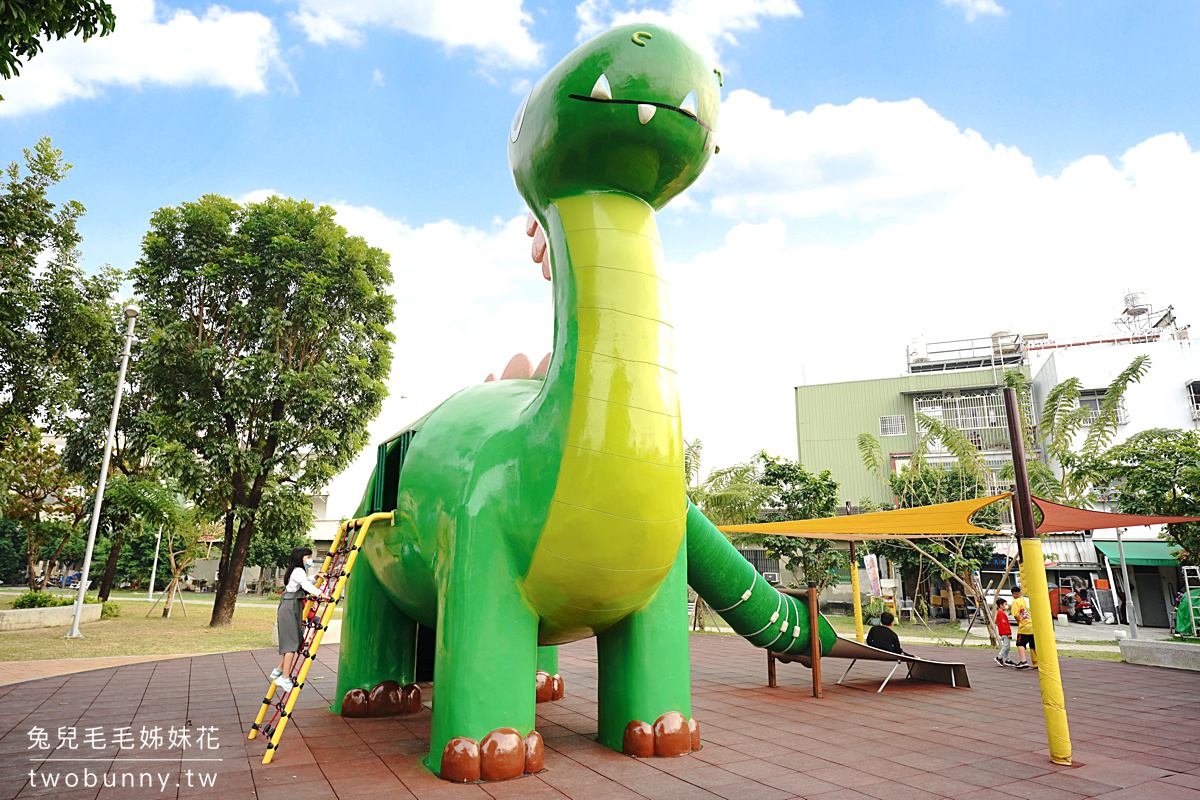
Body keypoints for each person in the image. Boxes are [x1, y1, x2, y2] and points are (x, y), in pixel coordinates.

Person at [271, 547, 331, 692]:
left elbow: (302, 582)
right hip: (290, 606)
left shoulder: (297, 570)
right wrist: (320, 594)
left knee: (295, 640)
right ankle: (284, 678)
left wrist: (315, 577)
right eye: (308, 556)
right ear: (301, 557)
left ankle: (279, 670)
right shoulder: (298, 570)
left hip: (291, 604)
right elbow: (304, 585)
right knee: (292, 643)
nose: (310, 559)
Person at [1009, 586, 1036, 669]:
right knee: (1034, 645)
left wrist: (1019, 622)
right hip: (1034, 626)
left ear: (1014, 595)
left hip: (1024, 626)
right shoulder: (1029, 599)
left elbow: (1016, 614)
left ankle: (1023, 661)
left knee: (1021, 643)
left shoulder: (1016, 602)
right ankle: (1038, 662)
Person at [994, 598, 1015, 666]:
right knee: (1006, 646)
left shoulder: (1001, 613)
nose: (1006, 606)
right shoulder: (1001, 614)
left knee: (1007, 646)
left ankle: (1007, 659)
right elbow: (1004, 625)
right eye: (1005, 604)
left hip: (1004, 632)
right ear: (1001, 605)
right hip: (1005, 633)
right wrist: (1008, 633)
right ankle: (999, 657)